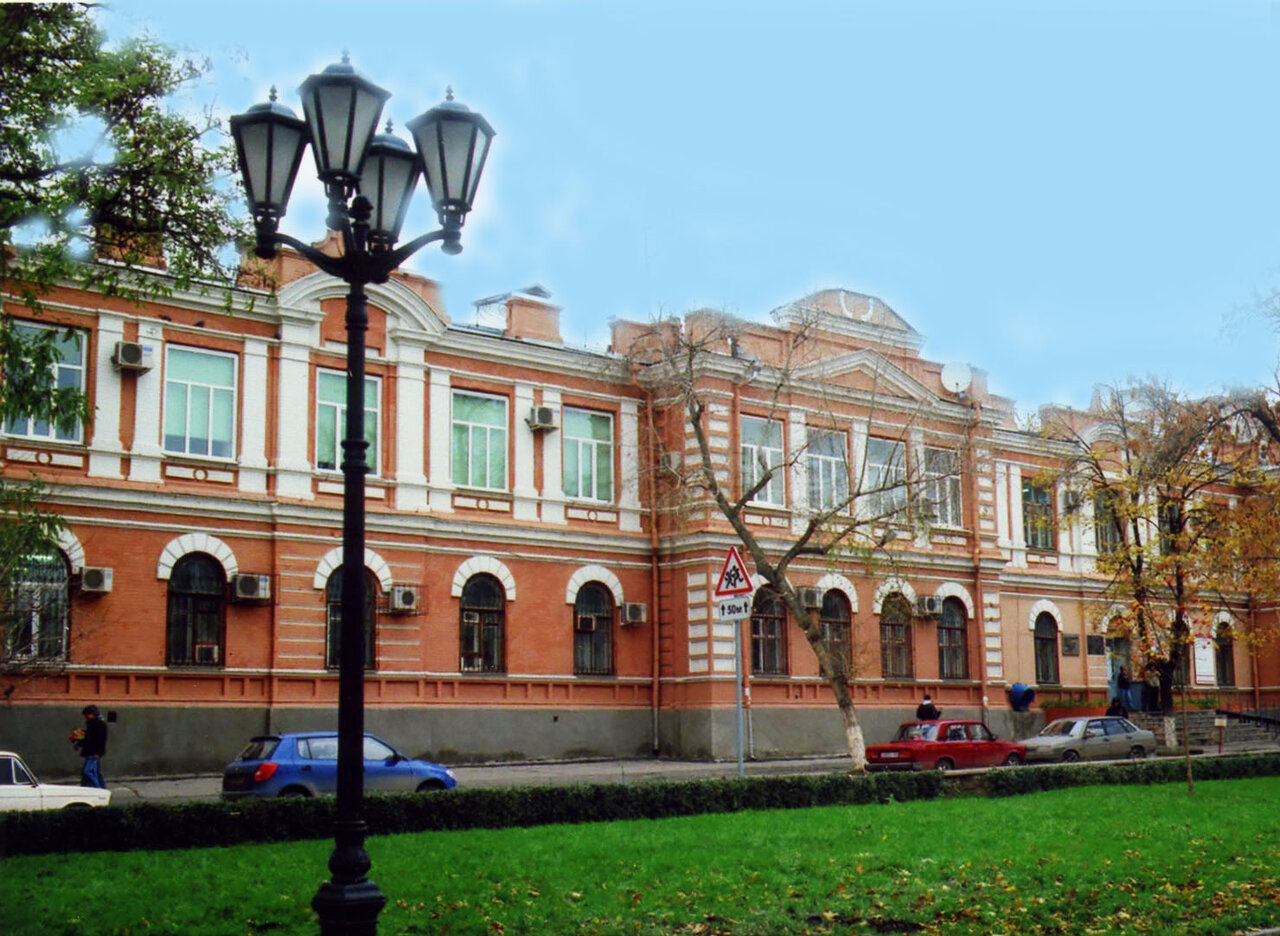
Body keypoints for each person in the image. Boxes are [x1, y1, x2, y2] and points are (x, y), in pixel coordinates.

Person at [75, 704, 108, 788]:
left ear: (92, 714)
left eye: (87, 715)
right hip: (92, 751)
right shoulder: (92, 724)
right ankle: (102, 787)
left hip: (93, 752)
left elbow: (100, 740)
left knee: (87, 771)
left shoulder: (99, 725)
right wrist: (79, 742)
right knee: (96, 772)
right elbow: (89, 739)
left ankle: (98, 788)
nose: (85, 717)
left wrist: (98, 752)